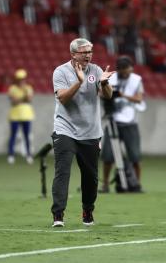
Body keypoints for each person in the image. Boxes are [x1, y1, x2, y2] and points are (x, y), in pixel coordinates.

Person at [51, 38, 114, 227]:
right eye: (83, 52)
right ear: (73, 54)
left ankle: (87, 210)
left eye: (90, 52)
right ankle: (58, 215)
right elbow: (62, 98)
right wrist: (79, 82)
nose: (88, 55)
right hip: (65, 129)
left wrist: (103, 83)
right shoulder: (61, 72)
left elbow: (108, 95)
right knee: (62, 171)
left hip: (90, 132)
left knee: (90, 176)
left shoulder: (96, 70)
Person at [100, 56, 145, 193]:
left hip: (129, 121)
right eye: (124, 70)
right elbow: (101, 93)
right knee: (107, 155)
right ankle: (105, 184)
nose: (127, 72)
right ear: (118, 69)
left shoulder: (136, 80)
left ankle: (136, 184)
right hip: (112, 119)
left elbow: (138, 98)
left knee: (134, 155)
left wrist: (121, 94)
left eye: (128, 69)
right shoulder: (111, 78)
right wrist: (107, 93)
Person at [7, 68, 35, 164]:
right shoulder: (12, 89)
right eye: (19, 79)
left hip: (26, 115)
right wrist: (23, 97)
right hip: (14, 115)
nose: (21, 81)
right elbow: (14, 101)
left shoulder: (28, 88)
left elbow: (29, 99)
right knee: (13, 136)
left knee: (27, 136)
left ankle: (29, 155)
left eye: (23, 79)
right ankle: (11, 155)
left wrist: (21, 98)